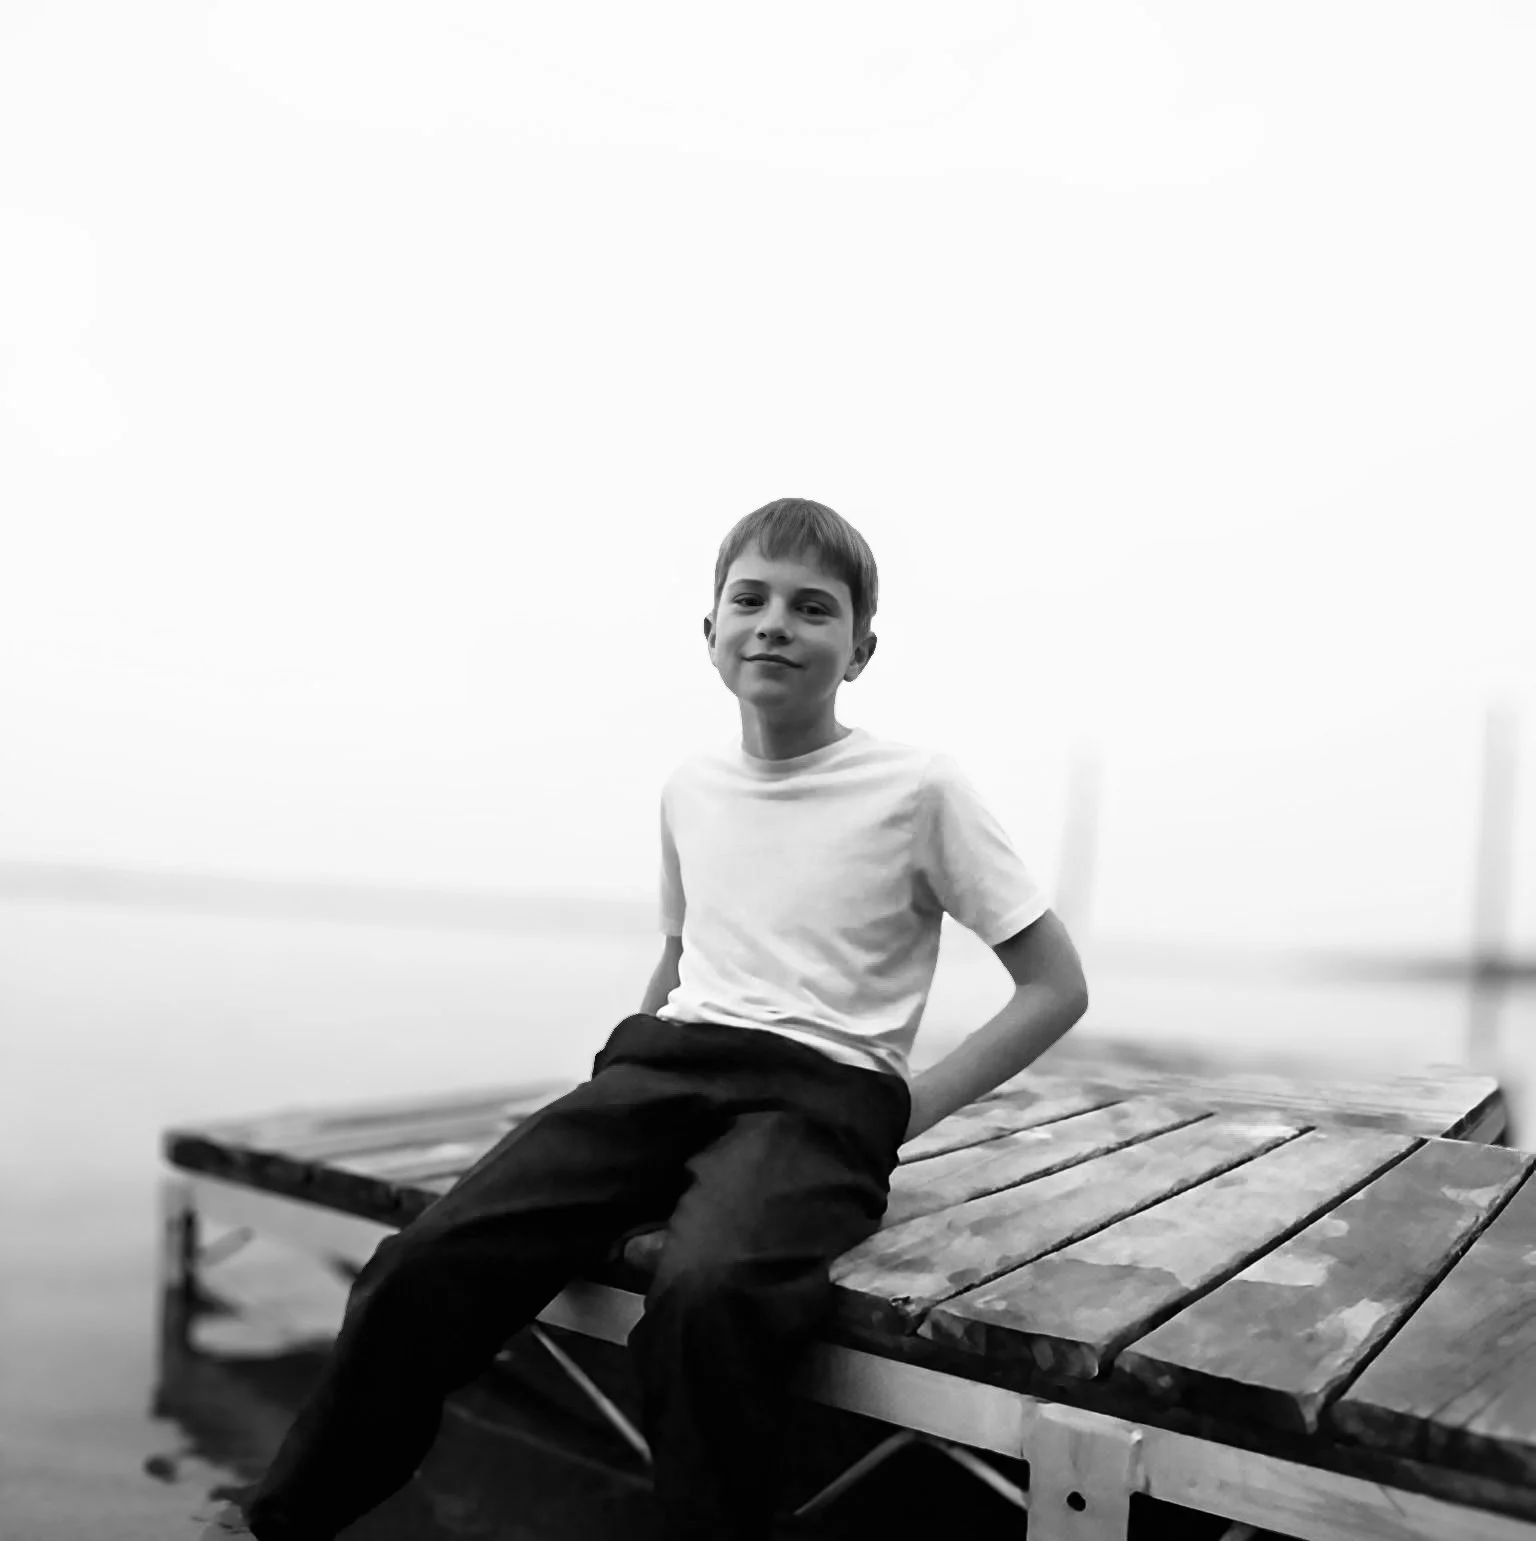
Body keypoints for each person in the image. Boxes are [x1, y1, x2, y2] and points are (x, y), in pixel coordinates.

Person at [198, 496, 1089, 1541]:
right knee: (423, 1260)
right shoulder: (690, 786)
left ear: (860, 649)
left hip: (821, 1092)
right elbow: (682, 950)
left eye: (813, 608)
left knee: (708, 1296)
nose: (774, 624)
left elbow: (1054, 983)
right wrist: (604, 1104)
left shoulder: (920, 786)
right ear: (708, 631)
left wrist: (902, 1106)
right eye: (748, 599)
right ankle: (281, 1520)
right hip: (664, 1067)